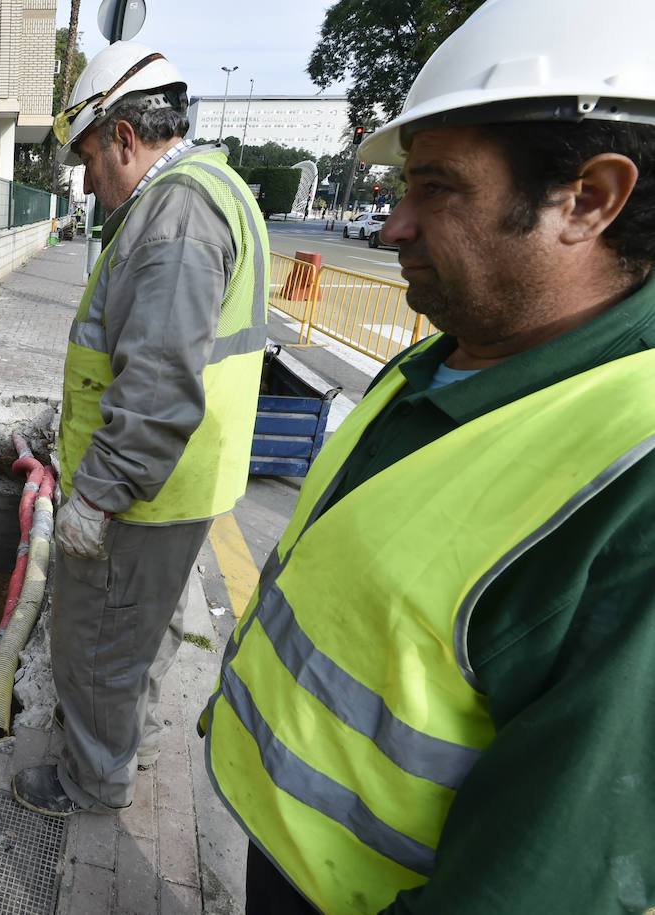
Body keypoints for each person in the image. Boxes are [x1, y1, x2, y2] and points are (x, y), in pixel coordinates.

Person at [201, 0, 655, 911]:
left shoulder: (630, 487)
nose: (392, 225)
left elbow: (545, 881)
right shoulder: (444, 357)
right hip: (288, 852)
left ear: (590, 199)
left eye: (437, 188)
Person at [11, 41, 269, 816]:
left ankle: (90, 782)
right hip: (182, 483)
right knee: (141, 634)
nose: (89, 183)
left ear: (126, 136)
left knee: (95, 642)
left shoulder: (177, 213)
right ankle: (130, 745)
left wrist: (95, 496)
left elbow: (156, 387)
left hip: (140, 496)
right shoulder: (211, 189)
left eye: (91, 159)